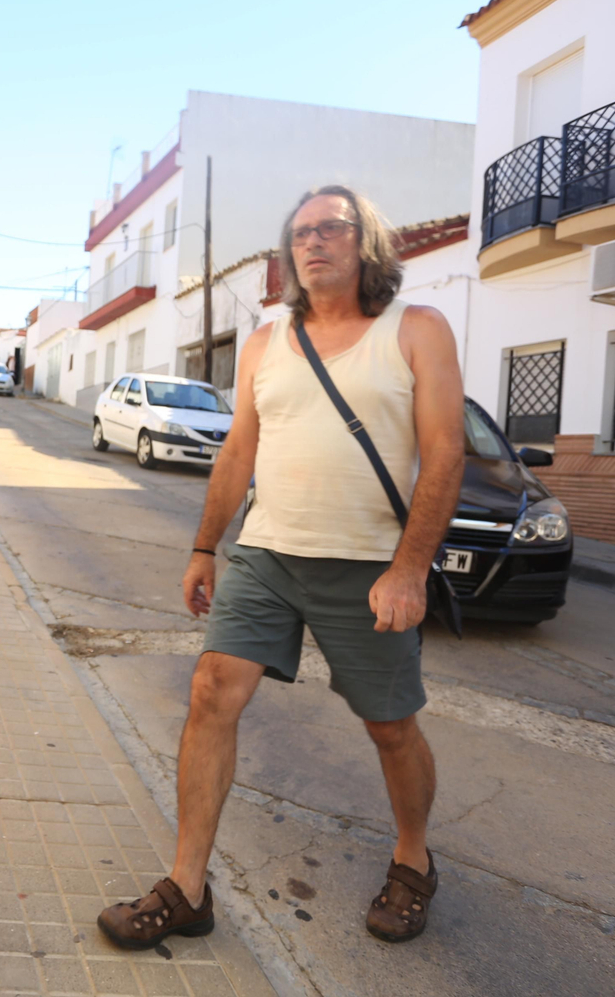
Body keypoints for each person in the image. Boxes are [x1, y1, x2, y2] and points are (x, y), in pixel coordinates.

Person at [97, 185, 463, 948]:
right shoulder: (267, 341)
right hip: (267, 554)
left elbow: (446, 454)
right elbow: (238, 452)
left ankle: (412, 857)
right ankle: (188, 888)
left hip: (368, 565)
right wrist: (205, 546)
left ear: (367, 242)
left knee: (391, 727)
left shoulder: (417, 330)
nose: (313, 242)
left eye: (331, 227)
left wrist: (410, 569)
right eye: (300, 233)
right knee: (209, 693)